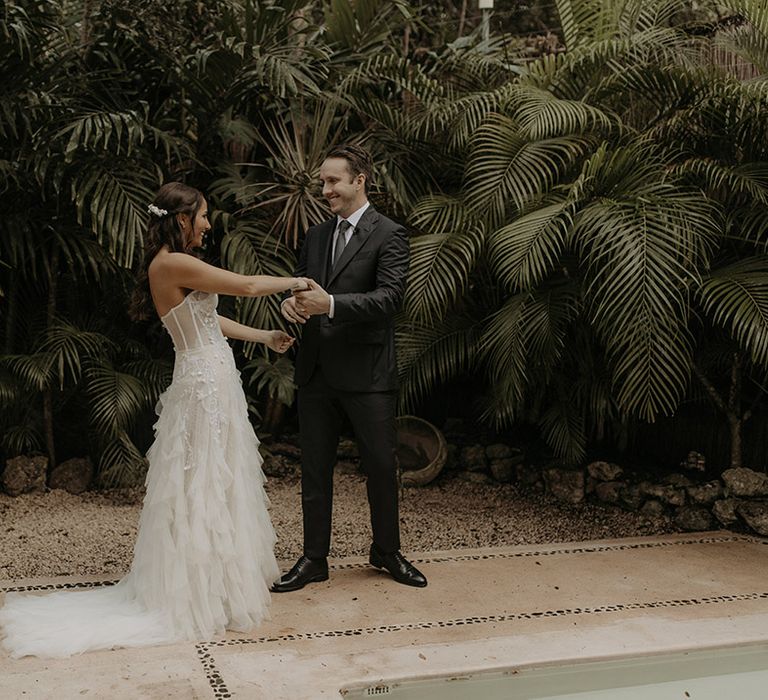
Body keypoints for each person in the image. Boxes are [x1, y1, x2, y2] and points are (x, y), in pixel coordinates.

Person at [0, 182, 308, 658]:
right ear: (182, 219)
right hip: (203, 386)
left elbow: (210, 320)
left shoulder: (176, 266)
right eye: (203, 216)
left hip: (213, 379)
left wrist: (263, 336)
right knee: (200, 482)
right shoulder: (171, 262)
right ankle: (192, 595)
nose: (208, 225)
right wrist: (296, 281)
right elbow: (245, 285)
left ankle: (216, 588)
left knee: (215, 479)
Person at [272, 144, 427, 592]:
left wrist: (333, 303)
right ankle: (313, 559)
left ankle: (386, 552)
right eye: (323, 182)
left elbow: (391, 298)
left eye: (332, 181)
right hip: (317, 371)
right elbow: (304, 287)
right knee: (315, 471)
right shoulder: (317, 235)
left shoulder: (390, 234)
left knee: (380, 466)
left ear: (360, 180)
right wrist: (292, 304)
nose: (325, 190)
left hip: (368, 373)